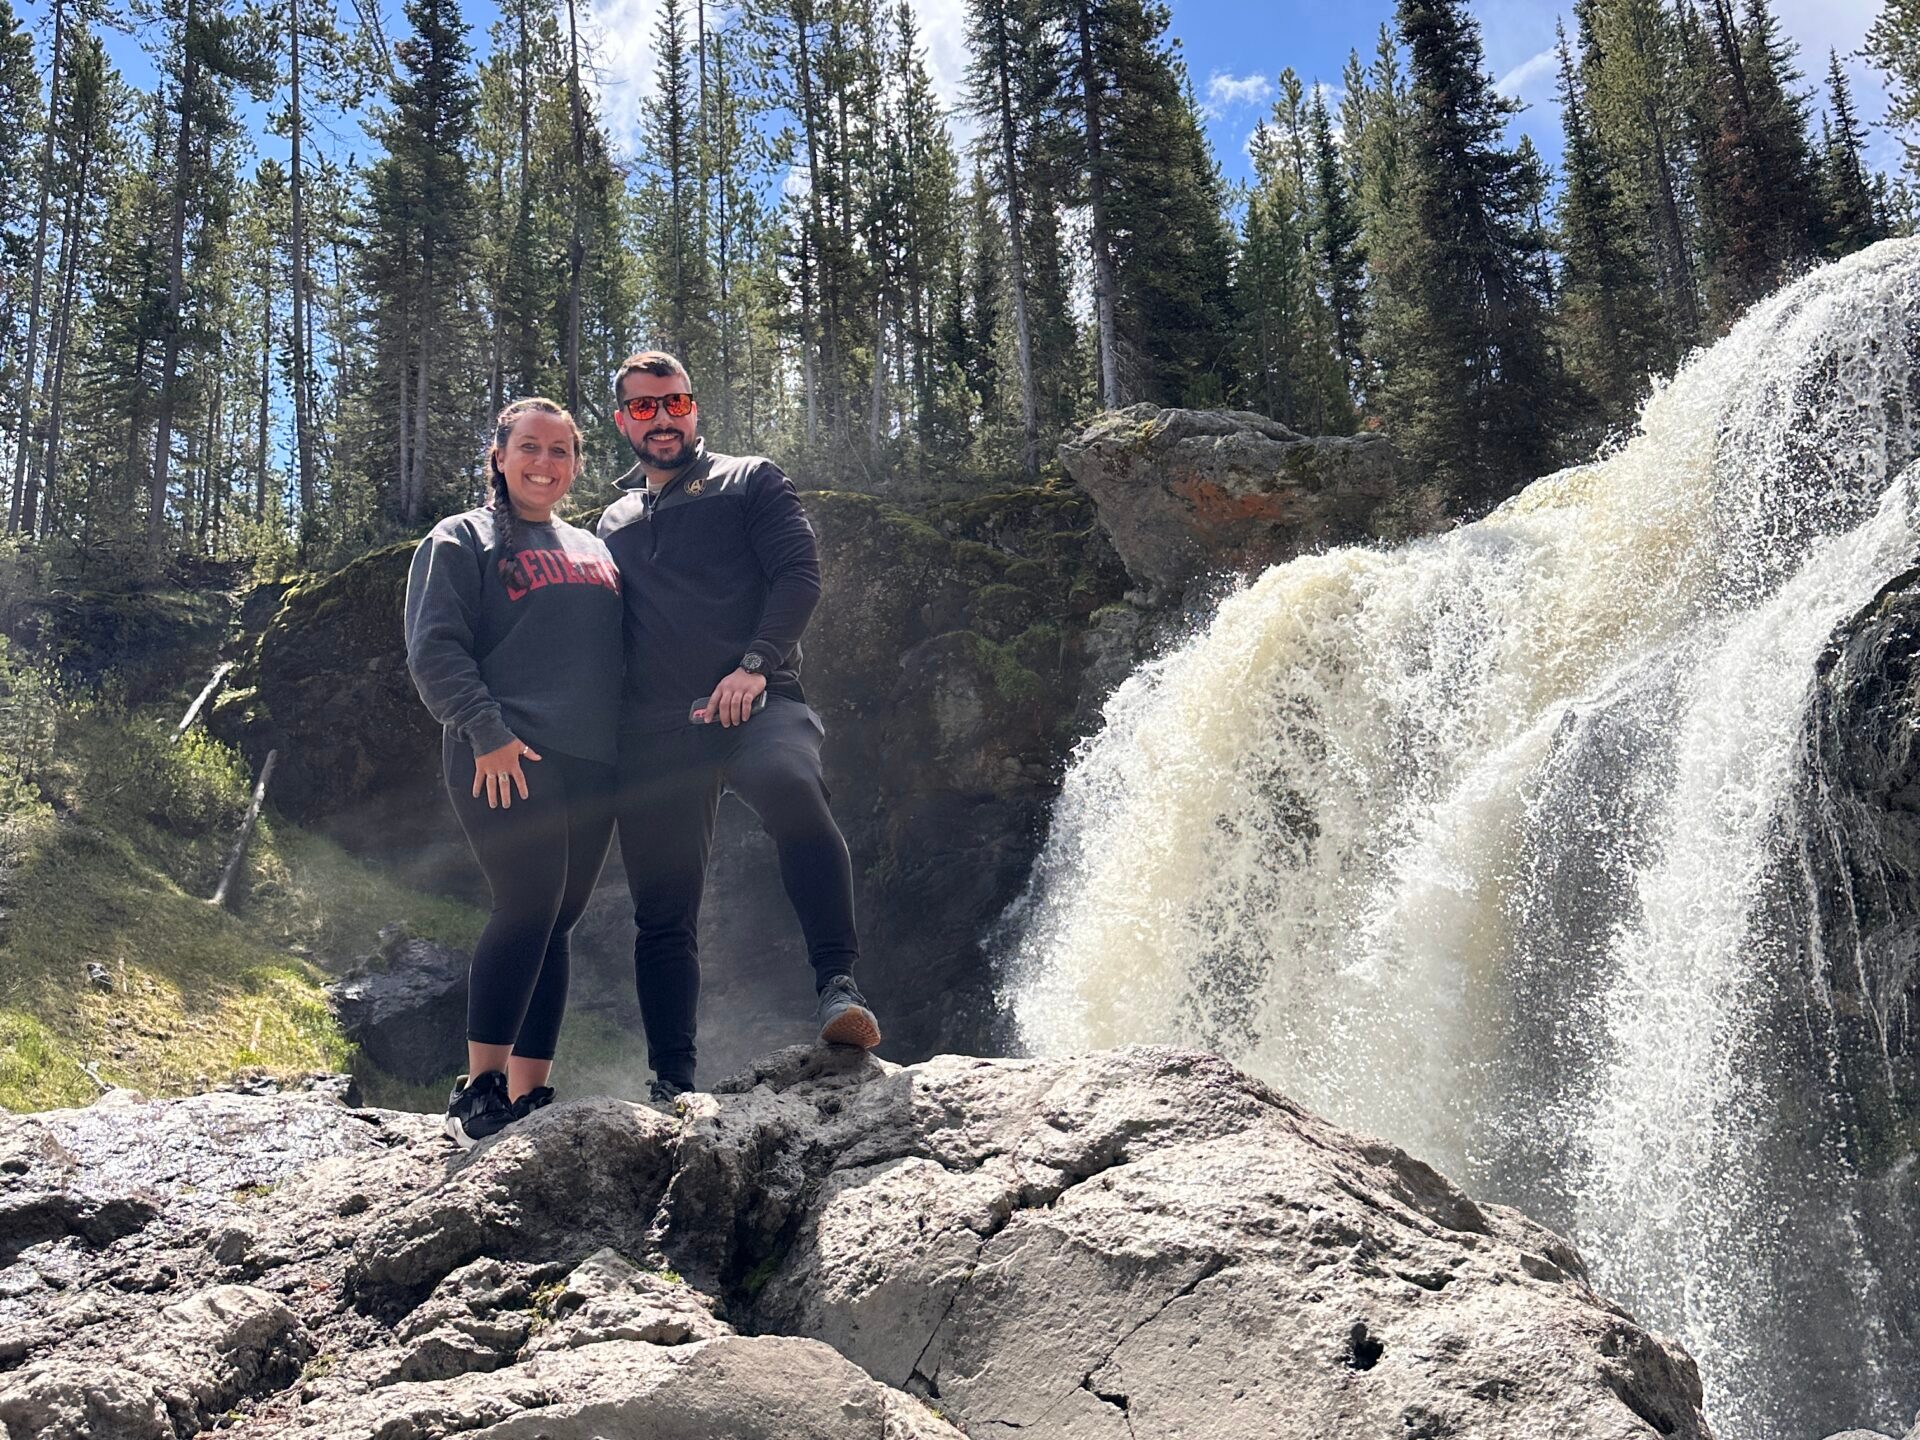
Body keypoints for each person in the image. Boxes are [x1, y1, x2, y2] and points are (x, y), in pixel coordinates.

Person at [599, 350, 879, 1103]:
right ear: (623, 420)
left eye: (675, 401)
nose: (663, 418)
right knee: (662, 908)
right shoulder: (612, 523)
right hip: (659, 729)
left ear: (694, 407)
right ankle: (671, 1080)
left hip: (760, 701)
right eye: (644, 406)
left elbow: (799, 576)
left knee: (793, 788)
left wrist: (754, 665)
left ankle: (838, 988)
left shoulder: (750, 478)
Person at [403, 396, 624, 1148]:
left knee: (557, 920)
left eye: (560, 450)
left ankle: (529, 1095)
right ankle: (478, 1089)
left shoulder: (594, 548)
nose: (544, 462)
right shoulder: (461, 537)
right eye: (529, 446)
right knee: (527, 902)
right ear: (499, 456)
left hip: (594, 759)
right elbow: (435, 647)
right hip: (507, 750)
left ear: (576, 464)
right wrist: (486, 732)